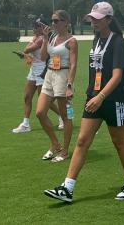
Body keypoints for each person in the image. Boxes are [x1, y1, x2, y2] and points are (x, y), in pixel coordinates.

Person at [44, 2, 124, 203]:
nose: (93, 21)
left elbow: (117, 75)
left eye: (98, 18)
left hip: (115, 100)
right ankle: (67, 188)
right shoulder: (96, 40)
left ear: (109, 20)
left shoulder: (117, 42)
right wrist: (87, 93)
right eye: (92, 18)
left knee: (119, 142)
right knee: (82, 141)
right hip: (93, 98)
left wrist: (101, 96)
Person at [35, 10, 78, 163]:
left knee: (66, 116)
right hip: (49, 75)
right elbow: (42, 57)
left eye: (56, 20)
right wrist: (45, 39)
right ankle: (55, 144)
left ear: (66, 22)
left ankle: (65, 151)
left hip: (63, 76)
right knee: (40, 112)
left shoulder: (72, 41)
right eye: (52, 20)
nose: (53, 23)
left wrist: (69, 85)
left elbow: (73, 65)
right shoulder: (52, 37)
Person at [12, 17, 63, 133]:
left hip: (42, 70)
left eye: (38, 26)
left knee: (45, 101)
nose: (35, 28)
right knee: (27, 97)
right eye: (34, 26)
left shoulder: (40, 39)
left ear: (44, 27)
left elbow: (27, 49)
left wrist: (26, 51)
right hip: (34, 69)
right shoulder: (36, 38)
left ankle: (62, 117)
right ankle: (25, 124)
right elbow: (30, 54)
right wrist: (25, 56)